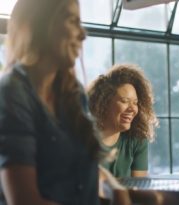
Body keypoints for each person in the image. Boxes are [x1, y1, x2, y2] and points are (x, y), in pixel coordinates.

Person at [0, 0, 131, 204]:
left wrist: (114, 187)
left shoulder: (73, 92)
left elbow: (79, 165)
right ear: (40, 24)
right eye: (72, 21)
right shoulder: (12, 93)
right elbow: (25, 200)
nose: (83, 34)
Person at [88, 64, 158, 179]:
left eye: (135, 103)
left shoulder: (137, 140)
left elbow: (139, 188)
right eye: (124, 101)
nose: (132, 109)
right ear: (104, 103)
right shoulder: (81, 139)